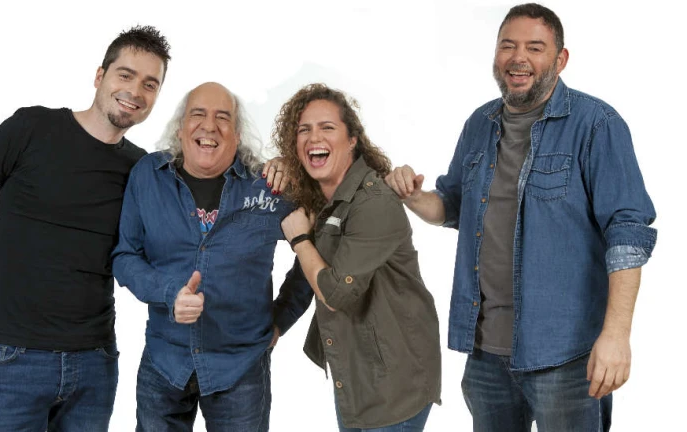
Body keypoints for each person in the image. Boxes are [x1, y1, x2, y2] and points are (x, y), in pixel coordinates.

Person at [385, 3, 657, 431]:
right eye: (507, 45)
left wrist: (617, 335)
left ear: (560, 59)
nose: (518, 58)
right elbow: (452, 206)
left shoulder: (596, 124)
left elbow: (627, 233)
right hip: (485, 354)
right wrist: (414, 196)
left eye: (535, 47)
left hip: (566, 356)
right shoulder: (480, 123)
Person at [0, 26, 170, 431]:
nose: (135, 91)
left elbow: (154, 248)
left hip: (95, 363)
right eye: (125, 75)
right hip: (14, 359)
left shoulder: (141, 168)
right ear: (100, 76)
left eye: (150, 84)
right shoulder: (32, 128)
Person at [111, 82, 313, 432]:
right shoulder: (148, 176)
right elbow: (126, 256)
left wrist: (281, 318)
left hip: (241, 367)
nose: (209, 126)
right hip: (164, 361)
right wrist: (169, 293)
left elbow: (314, 248)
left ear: (237, 134)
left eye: (223, 118)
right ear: (180, 128)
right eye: (198, 115)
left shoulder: (269, 187)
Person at [273, 83, 442, 431]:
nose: (314, 137)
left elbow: (336, 294)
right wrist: (273, 327)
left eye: (327, 127)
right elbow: (306, 278)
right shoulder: (321, 201)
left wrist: (300, 240)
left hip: (395, 387)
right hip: (355, 378)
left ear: (352, 140)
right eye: (304, 130)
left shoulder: (373, 201)